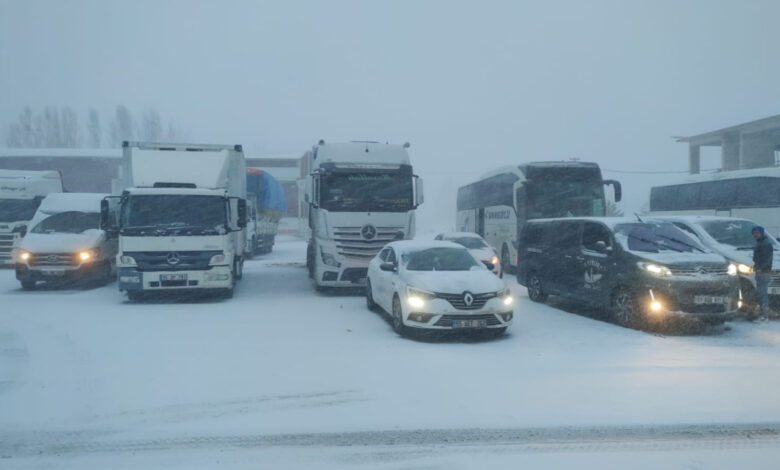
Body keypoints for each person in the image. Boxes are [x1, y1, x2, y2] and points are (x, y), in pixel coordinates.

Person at [752, 226, 773, 322]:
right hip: (761, 270)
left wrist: (760, 268)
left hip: (763, 272)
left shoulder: (764, 244)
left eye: (757, 233)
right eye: (754, 233)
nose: (755, 235)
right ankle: (763, 314)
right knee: (761, 293)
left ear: (761, 233)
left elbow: (765, 259)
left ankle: (764, 316)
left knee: (762, 293)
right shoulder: (761, 242)